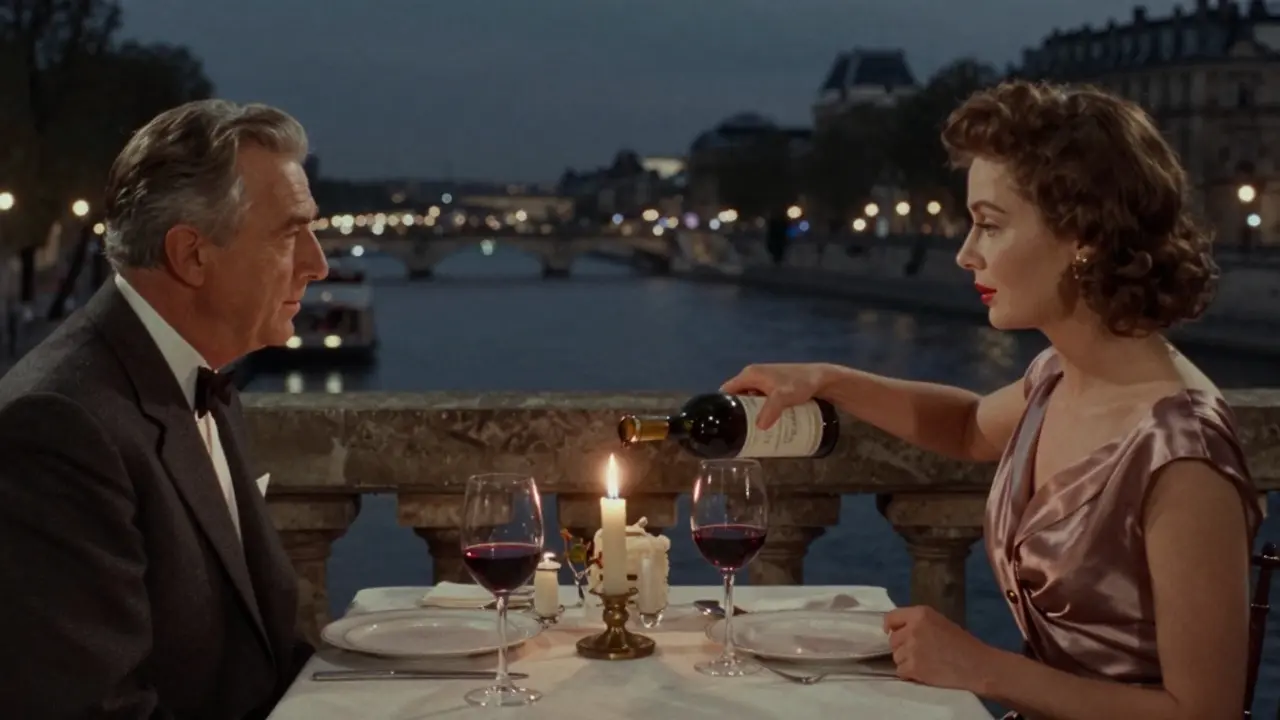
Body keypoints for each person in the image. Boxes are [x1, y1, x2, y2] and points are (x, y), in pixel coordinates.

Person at [722, 80, 1262, 720]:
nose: (964, 253)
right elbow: (970, 426)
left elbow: (1205, 712)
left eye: (990, 225)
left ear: (1082, 235)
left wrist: (982, 667)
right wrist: (828, 379)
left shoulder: (1182, 453)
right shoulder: (1059, 376)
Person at [0, 99, 329, 718]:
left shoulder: (188, 369)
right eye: (290, 234)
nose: (317, 264)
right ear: (192, 256)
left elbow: (259, 662)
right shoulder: (57, 427)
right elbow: (90, 708)